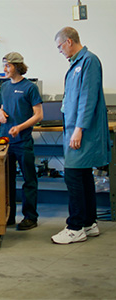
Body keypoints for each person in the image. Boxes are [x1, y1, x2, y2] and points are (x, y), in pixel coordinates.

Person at [51, 27, 111, 244]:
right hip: (74, 128)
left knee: (73, 175)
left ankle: (75, 226)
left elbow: (88, 98)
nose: (59, 51)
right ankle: (89, 222)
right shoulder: (76, 63)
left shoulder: (89, 61)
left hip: (81, 130)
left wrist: (79, 128)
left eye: (59, 46)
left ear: (68, 41)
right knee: (84, 176)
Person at [0, 52, 43, 231]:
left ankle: (30, 217)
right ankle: (8, 216)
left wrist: (20, 127)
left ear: (17, 66)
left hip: (22, 142)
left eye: (8, 66)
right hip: (5, 143)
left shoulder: (30, 88)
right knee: (6, 181)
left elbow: (38, 115)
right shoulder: (5, 87)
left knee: (29, 180)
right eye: (4, 66)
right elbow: (2, 107)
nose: (5, 69)